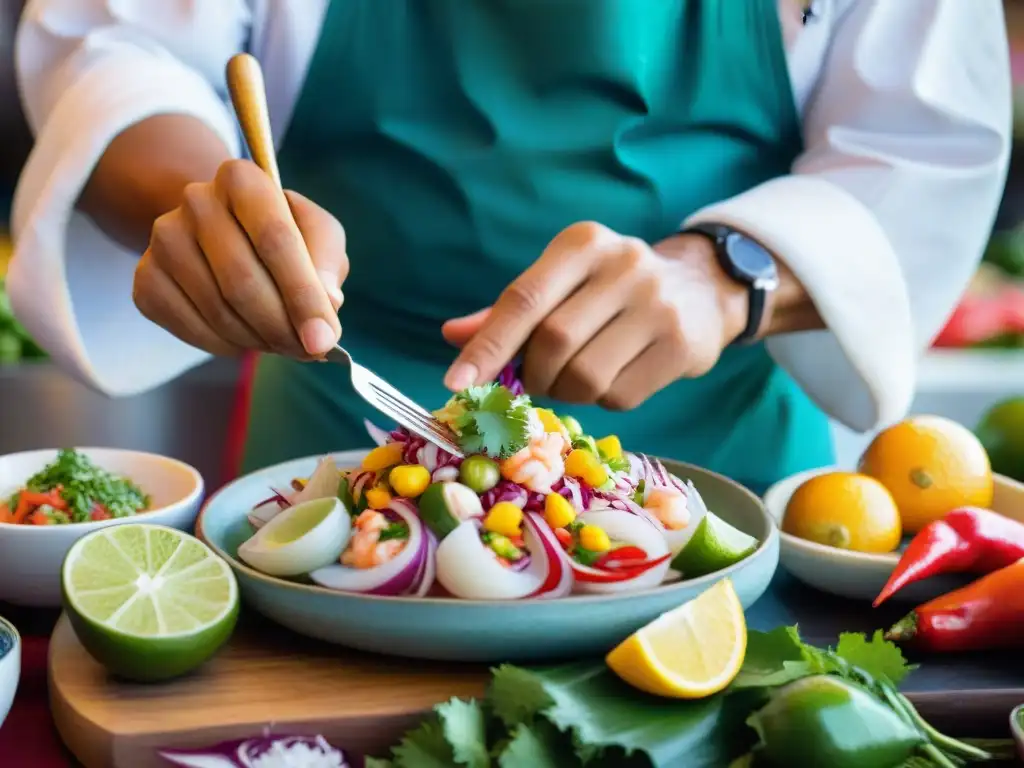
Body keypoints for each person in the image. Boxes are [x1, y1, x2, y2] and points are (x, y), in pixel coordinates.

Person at [6, 0, 1012, 491]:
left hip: (726, 471)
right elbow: (116, 44)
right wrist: (202, 202)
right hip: (334, 431)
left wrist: (728, 276)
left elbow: (918, 148)